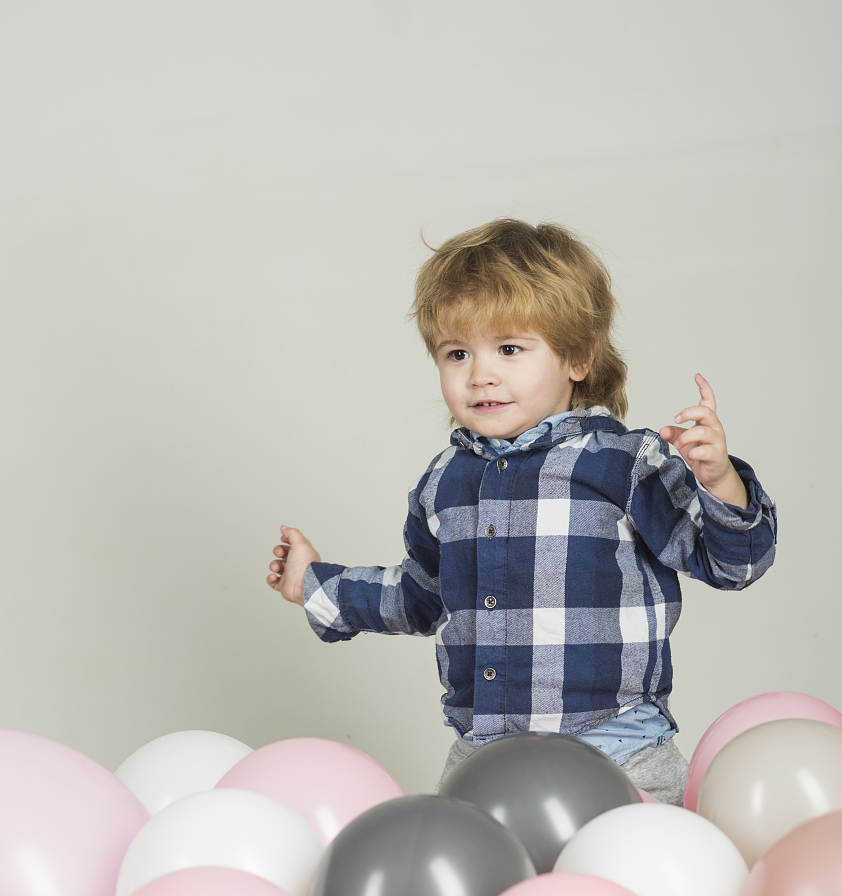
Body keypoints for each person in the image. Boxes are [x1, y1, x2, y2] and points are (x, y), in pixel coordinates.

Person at [266, 218, 777, 805]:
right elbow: (420, 596)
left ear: (578, 357)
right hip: (484, 756)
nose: (481, 374)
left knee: (631, 883)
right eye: (457, 353)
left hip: (616, 749)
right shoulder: (444, 483)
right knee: (464, 883)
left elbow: (735, 565)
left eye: (509, 349)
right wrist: (314, 583)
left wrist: (720, 481)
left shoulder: (625, 463)